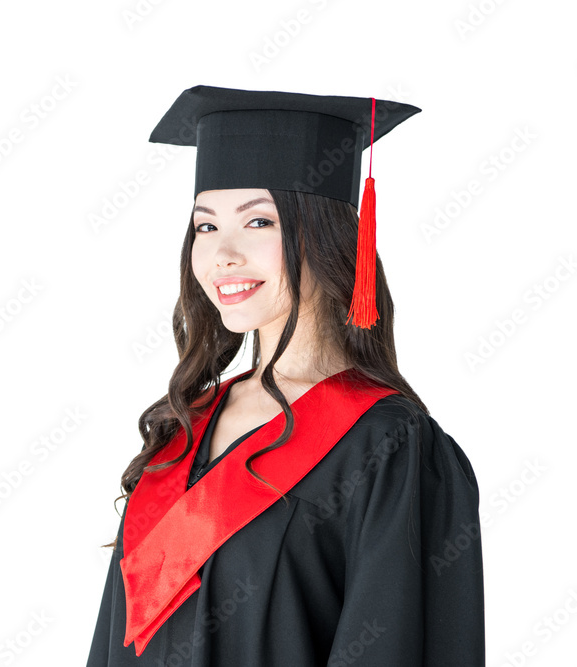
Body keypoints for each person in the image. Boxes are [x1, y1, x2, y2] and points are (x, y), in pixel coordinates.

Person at [85, 86, 485, 666]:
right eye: (204, 227)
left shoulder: (389, 446)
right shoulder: (186, 424)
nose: (222, 254)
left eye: (259, 221)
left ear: (327, 234)